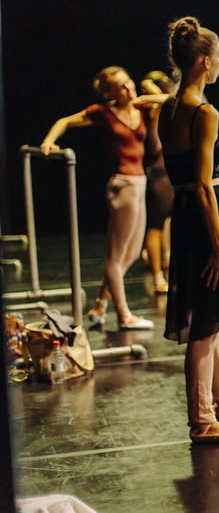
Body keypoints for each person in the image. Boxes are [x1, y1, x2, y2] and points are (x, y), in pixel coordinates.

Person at [158, 16, 219, 444]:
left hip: (187, 212)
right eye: (216, 59)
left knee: (211, 319)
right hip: (206, 213)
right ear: (201, 61)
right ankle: (202, 419)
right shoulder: (205, 111)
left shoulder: (168, 107)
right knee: (205, 322)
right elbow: (201, 183)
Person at [40, 67, 157, 329]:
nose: (129, 89)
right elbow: (65, 121)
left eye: (129, 83)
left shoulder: (142, 109)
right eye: (121, 87)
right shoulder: (103, 113)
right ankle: (124, 315)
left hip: (140, 183)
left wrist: (151, 94)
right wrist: (49, 141)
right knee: (115, 257)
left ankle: (100, 304)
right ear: (110, 93)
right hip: (123, 184)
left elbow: (169, 102)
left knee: (134, 252)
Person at [140, 70, 176, 294]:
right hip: (159, 173)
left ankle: (166, 262)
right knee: (155, 225)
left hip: (169, 172)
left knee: (167, 220)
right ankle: (157, 276)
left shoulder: (168, 108)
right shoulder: (155, 110)